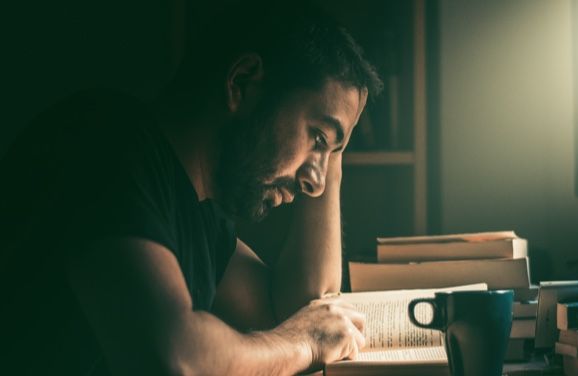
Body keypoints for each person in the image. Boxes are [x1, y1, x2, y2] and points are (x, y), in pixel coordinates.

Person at [0, 2, 383, 374]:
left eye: (331, 153)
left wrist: (334, 148)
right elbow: (174, 358)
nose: (315, 181)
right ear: (242, 82)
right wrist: (304, 344)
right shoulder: (105, 147)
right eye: (316, 136)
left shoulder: (200, 214)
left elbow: (297, 310)